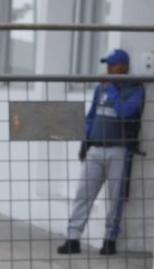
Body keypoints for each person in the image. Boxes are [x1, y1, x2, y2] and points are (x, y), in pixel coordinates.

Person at [58, 48, 145, 256]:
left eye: (113, 65)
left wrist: (113, 90)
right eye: (108, 65)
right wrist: (85, 144)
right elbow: (91, 116)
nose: (109, 69)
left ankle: (109, 239)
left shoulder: (135, 89)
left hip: (119, 150)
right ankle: (73, 238)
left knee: (115, 198)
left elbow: (126, 113)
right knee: (83, 194)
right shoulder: (100, 88)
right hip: (96, 149)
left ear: (125, 67)